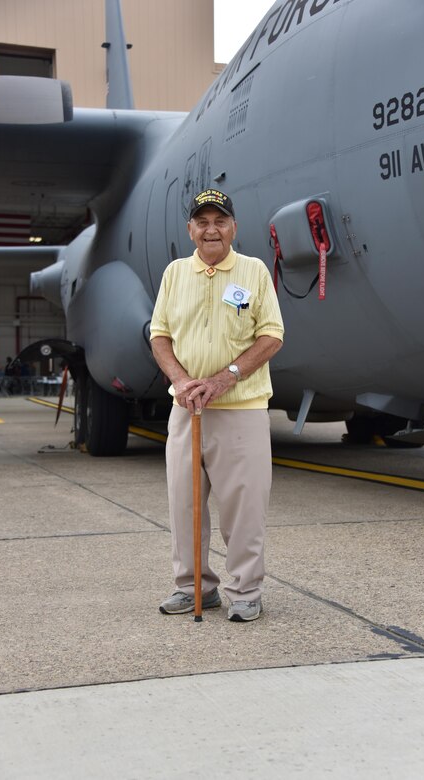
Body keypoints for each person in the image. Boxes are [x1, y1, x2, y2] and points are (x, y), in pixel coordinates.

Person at [150, 189, 284, 622]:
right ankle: (193, 589)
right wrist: (182, 381)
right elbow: (160, 335)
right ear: (191, 229)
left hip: (241, 408)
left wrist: (225, 378)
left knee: (243, 505)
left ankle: (245, 591)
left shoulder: (252, 271)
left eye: (220, 221)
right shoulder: (175, 274)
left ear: (233, 228)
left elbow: (271, 336)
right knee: (184, 504)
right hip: (187, 408)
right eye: (202, 221)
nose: (211, 229)